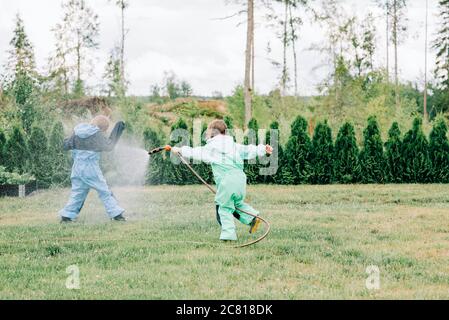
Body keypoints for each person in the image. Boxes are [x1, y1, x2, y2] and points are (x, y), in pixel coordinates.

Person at [171, 119, 273, 241]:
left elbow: (196, 152)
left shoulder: (212, 147)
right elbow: (248, 150)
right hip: (240, 179)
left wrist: (180, 150)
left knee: (224, 208)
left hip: (227, 181)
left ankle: (228, 236)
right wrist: (262, 149)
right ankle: (252, 218)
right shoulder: (234, 145)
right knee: (236, 204)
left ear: (213, 133)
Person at [59, 115, 126, 223]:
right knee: (105, 191)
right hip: (90, 168)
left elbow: (65, 145)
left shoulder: (77, 132)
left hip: (77, 169)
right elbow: (109, 146)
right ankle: (117, 215)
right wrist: (119, 127)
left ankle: (66, 216)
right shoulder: (96, 135)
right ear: (102, 129)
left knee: (77, 192)